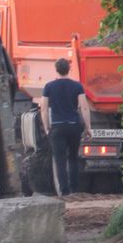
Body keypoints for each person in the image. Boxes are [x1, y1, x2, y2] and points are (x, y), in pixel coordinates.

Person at [40, 58, 93, 195]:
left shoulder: (49, 87)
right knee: (73, 157)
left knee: (60, 160)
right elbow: (84, 107)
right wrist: (88, 127)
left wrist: (46, 127)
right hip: (74, 126)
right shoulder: (77, 86)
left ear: (56, 69)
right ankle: (75, 189)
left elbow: (44, 109)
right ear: (69, 69)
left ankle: (65, 191)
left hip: (57, 127)